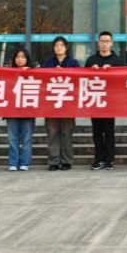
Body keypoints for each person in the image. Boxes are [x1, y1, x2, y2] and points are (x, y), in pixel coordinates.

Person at [84, 31, 123, 170]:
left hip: (110, 101)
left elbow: (122, 81)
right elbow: (83, 80)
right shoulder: (91, 60)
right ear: (98, 43)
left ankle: (109, 159)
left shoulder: (117, 61)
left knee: (109, 131)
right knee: (97, 132)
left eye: (107, 41)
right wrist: (91, 71)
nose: (104, 44)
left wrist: (112, 71)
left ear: (112, 43)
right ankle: (99, 159)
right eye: (102, 41)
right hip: (95, 100)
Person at [41, 35, 81, 171]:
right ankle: (53, 161)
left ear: (66, 47)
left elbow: (78, 80)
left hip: (68, 103)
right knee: (52, 133)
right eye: (56, 45)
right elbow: (42, 80)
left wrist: (65, 72)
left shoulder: (73, 62)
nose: (59, 48)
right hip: (51, 103)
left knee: (66, 133)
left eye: (61, 45)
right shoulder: (48, 63)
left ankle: (66, 160)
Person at [5, 47, 35, 171]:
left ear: (27, 59)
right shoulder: (8, 72)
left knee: (27, 138)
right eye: (18, 57)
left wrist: (30, 72)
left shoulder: (34, 72)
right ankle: (13, 162)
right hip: (12, 110)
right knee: (13, 138)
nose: (20, 59)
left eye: (23, 57)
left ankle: (25, 162)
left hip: (28, 110)